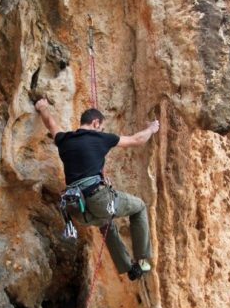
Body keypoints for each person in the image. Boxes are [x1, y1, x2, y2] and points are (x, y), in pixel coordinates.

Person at [35, 98, 159, 280]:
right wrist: (152, 128)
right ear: (95, 123)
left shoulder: (64, 140)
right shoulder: (101, 138)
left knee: (104, 222)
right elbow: (136, 140)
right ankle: (142, 262)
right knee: (139, 206)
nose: (101, 131)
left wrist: (42, 107)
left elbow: (51, 123)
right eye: (101, 127)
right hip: (97, 200)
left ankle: (128, 267)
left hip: (77, 210)